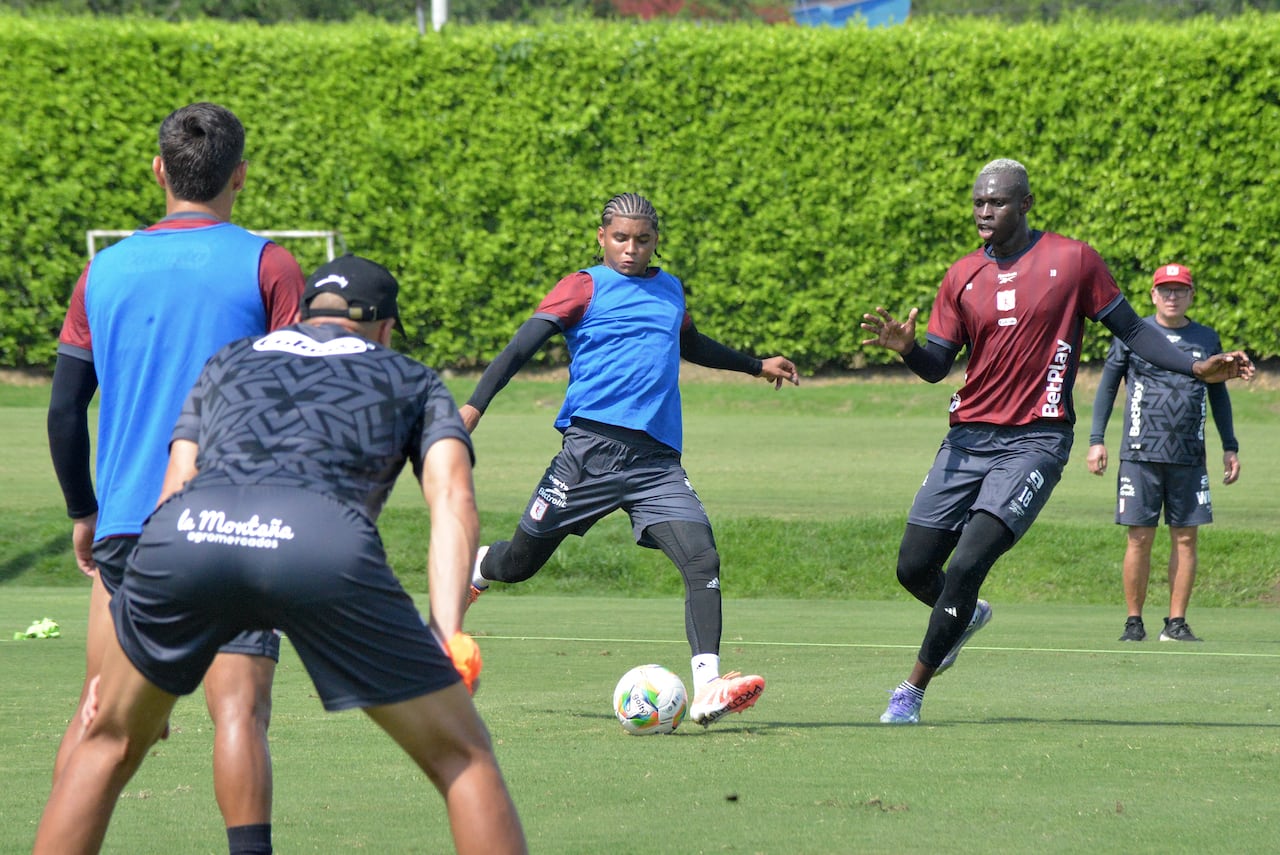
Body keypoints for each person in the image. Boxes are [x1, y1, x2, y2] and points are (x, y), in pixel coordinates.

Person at [33, 255, 527, 855]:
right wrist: (447, 632)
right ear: (386, 327)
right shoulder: (412, 377)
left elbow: (174, 489)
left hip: (190, 534)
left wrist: (134, 638)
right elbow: (452, 500)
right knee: (463, 755)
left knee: (104, 739)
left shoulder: (228, 361)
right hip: (320, 543)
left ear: (305, 314)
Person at [860, 159, 1253, 725]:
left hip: (1037, 441)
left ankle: (910, 692)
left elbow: (1136, 331)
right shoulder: (961, 275)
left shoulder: (1073, 261)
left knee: (969, 560)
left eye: (996, 202)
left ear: (1026, 204)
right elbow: (935, 367)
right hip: (967, 439)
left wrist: (1197, 368)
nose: (984, 212)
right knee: (913, 567)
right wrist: (906, 349)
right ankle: (963, 617)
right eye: (977, 203)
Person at [45, 102, 305, 853]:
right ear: (241, 177)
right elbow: (295, 398)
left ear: (159, 170)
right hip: (234, 523)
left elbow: (65, 413)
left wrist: (84, 510)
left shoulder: (105, 268)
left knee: (106, 722)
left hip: (130, 525)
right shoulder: (270, 264)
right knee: (238, 714)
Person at [459, 192, 799, 726]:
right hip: (588, 456)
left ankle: (708, 685)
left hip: (656, 464)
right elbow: (519, 348)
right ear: (602, 238)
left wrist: (756, 364)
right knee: (518, 566)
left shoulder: (669, 290)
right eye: (621, 238)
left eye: (642, 240)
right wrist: (474, 407)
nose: (631, 249)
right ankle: (479, 566)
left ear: (655, 241)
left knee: (701, 559)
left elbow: (692, 344)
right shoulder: (583, 286)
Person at [1086, 263, 1240, 643]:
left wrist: (1230, 446)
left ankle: (1176, 623)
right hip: (1140, 453)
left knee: (1186, 538)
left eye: (1180, 290)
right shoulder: (1133, 333)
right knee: (1139, 537)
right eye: (1165, 290)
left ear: (1190, 295)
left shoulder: (1206, 338)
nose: (1172, 296)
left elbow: (1218, 394)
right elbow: (1107, 388)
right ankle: (1133, 622)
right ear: (1153, 295)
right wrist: (1096, 439)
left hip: (1189, 455)